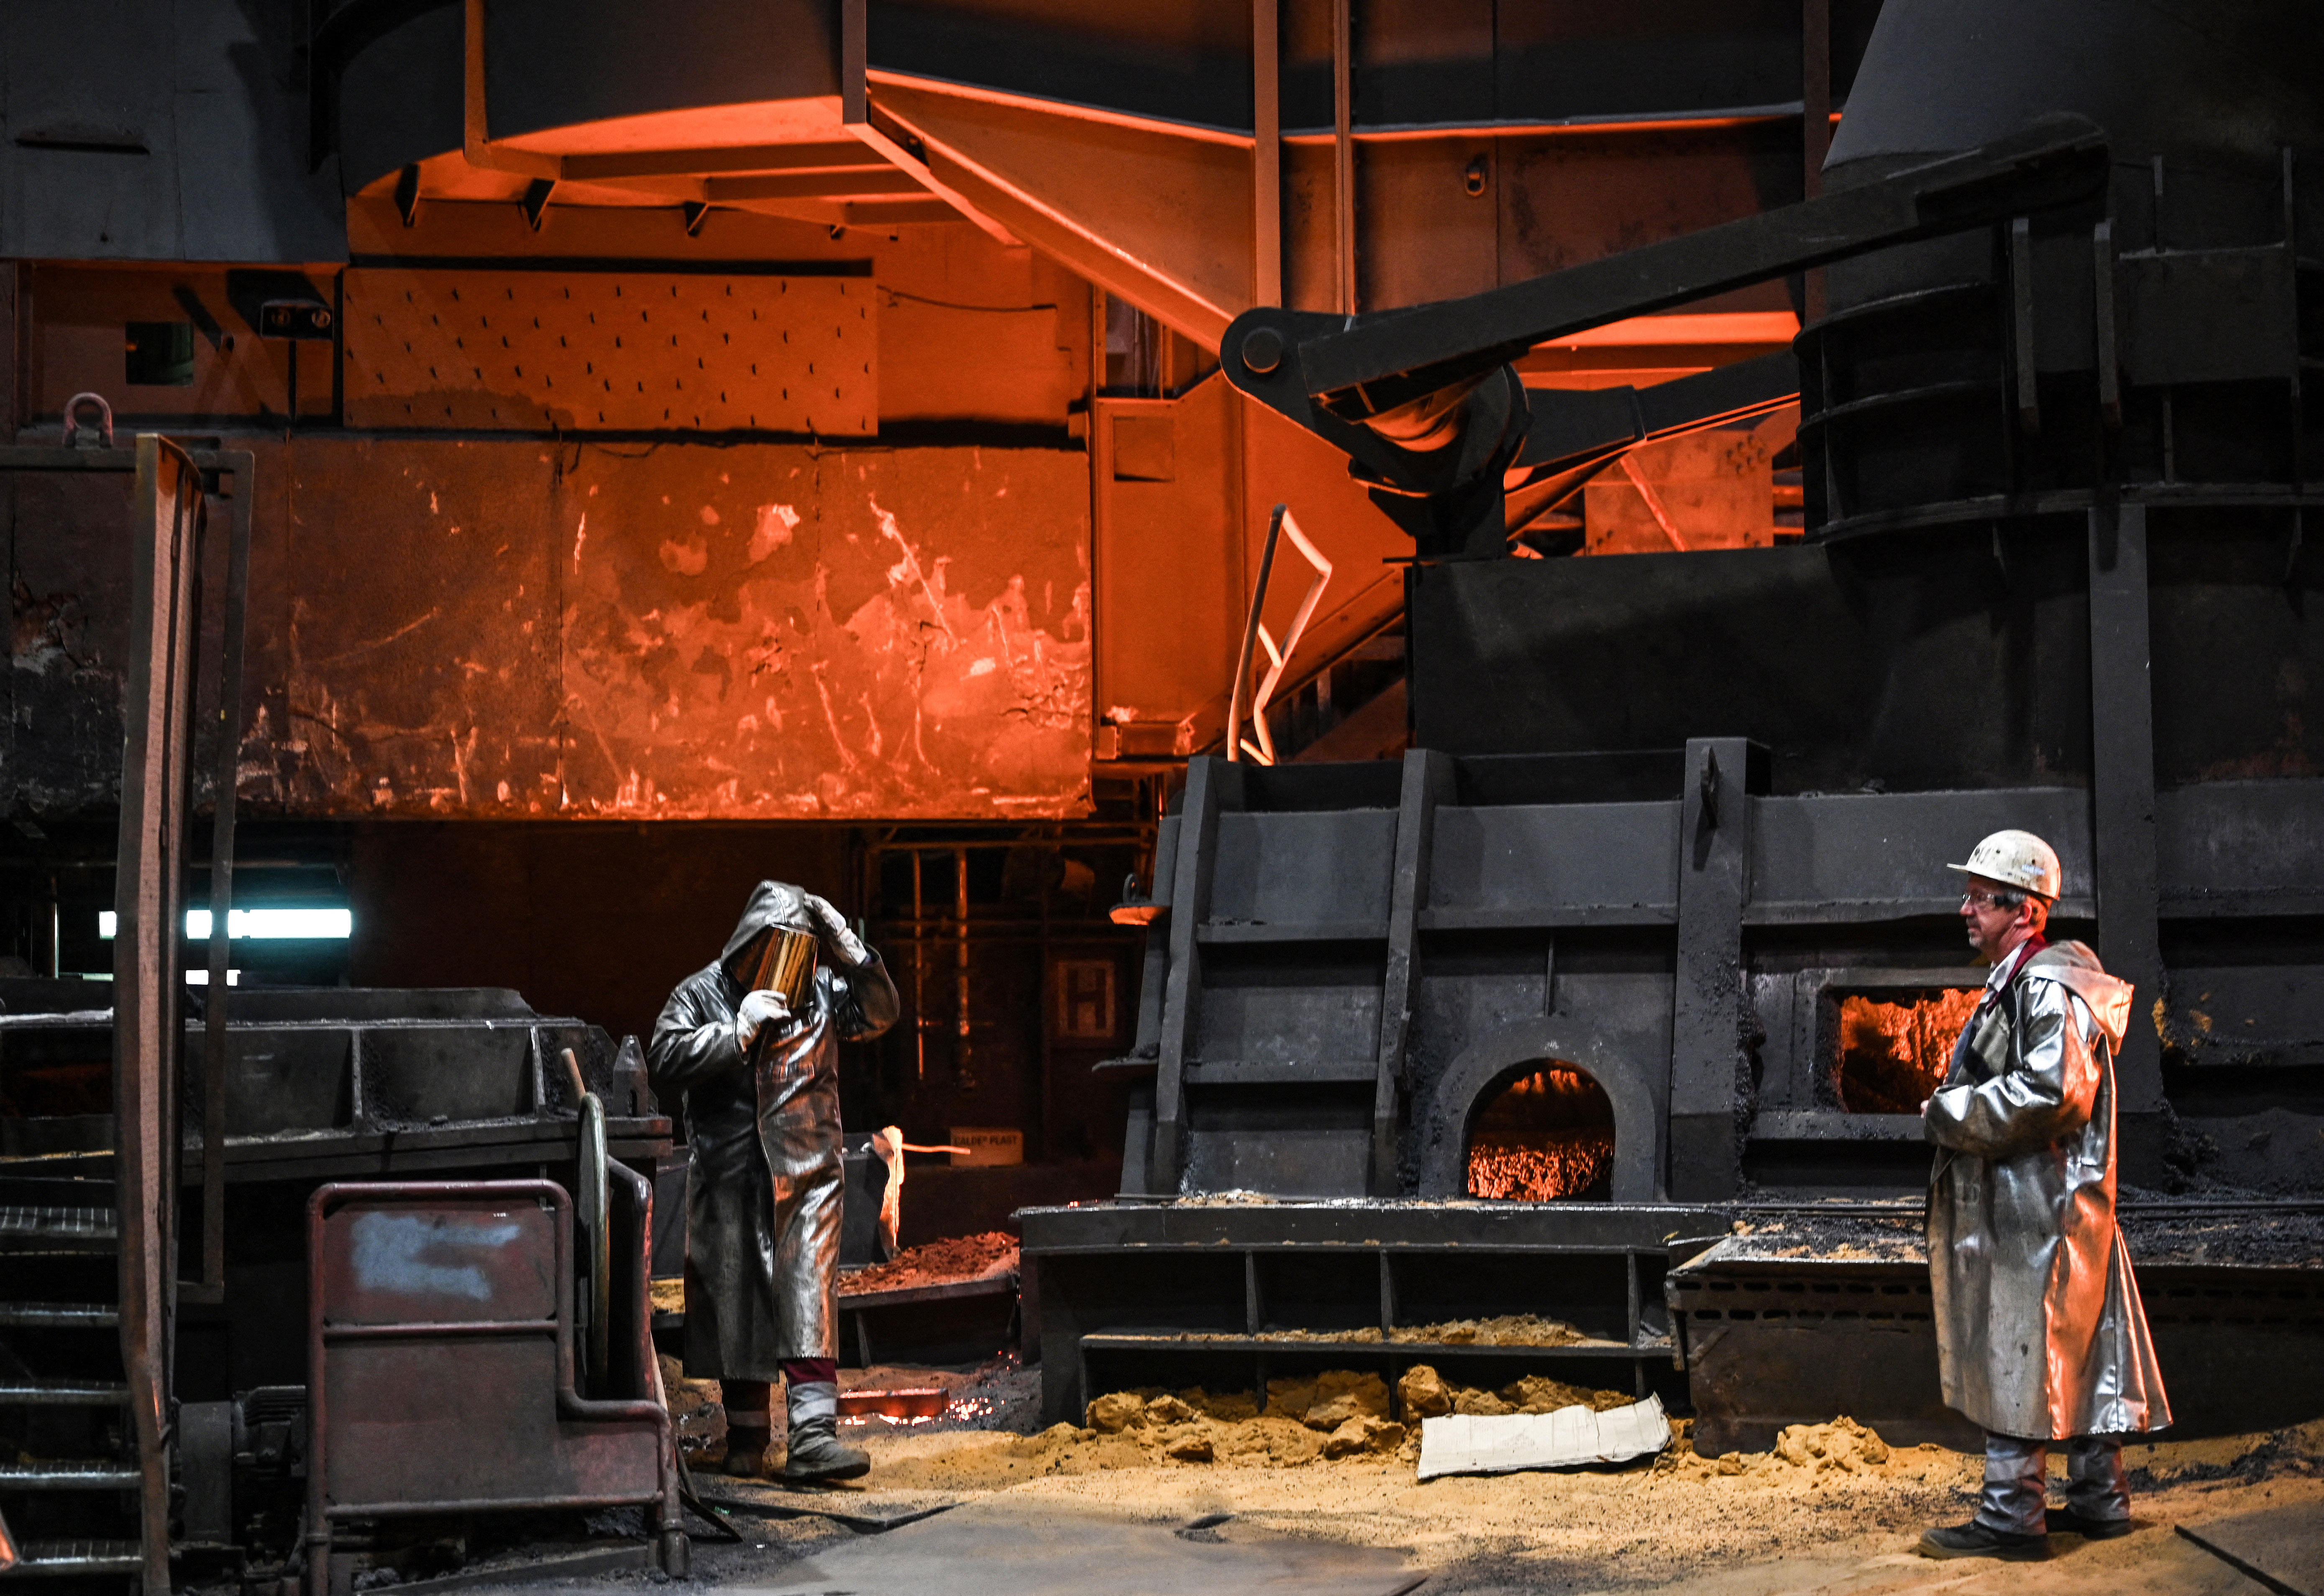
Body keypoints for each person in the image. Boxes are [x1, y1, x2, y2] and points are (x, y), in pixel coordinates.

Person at [1916, 830, 2169, 1561]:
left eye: (1981, 898)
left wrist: (1947, 1115)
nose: (1967, 909)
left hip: (2039, 1209)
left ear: (2024, 913)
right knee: (2083, 1349)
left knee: (2016, 1353)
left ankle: (2009, 1518)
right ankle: (2100, 1501)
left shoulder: (2047, 987)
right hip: (2057, 1205)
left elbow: (2054, 1093)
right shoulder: (2039, 980)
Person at [649, 881, 899, 1483]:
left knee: (807, 1294)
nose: (794, 964)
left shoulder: (819, 989)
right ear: (752, 944)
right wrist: (732, 1035)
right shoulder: (702, 992)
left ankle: (813, 1439)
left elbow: (880, 1012)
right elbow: (664, 1057)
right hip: (733, 1175)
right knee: (739, 1303)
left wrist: (856, 954)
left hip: (810, 1171)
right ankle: (748, 1438)